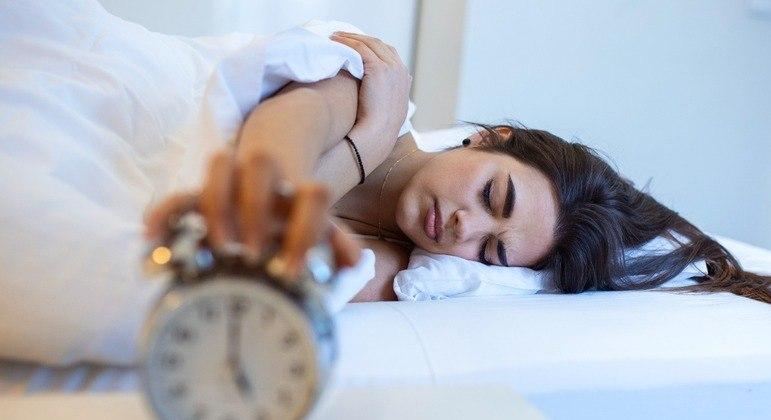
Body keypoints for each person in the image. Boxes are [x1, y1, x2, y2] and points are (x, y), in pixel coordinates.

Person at [146, 31, 771, 304]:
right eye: (493, 197)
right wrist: (372, 135)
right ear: (489, 139)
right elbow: (268, 172)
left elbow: (260, 265)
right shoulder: (366, 89)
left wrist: (362, 149)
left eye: (489, 253)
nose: (463, 229)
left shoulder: (395, 267)